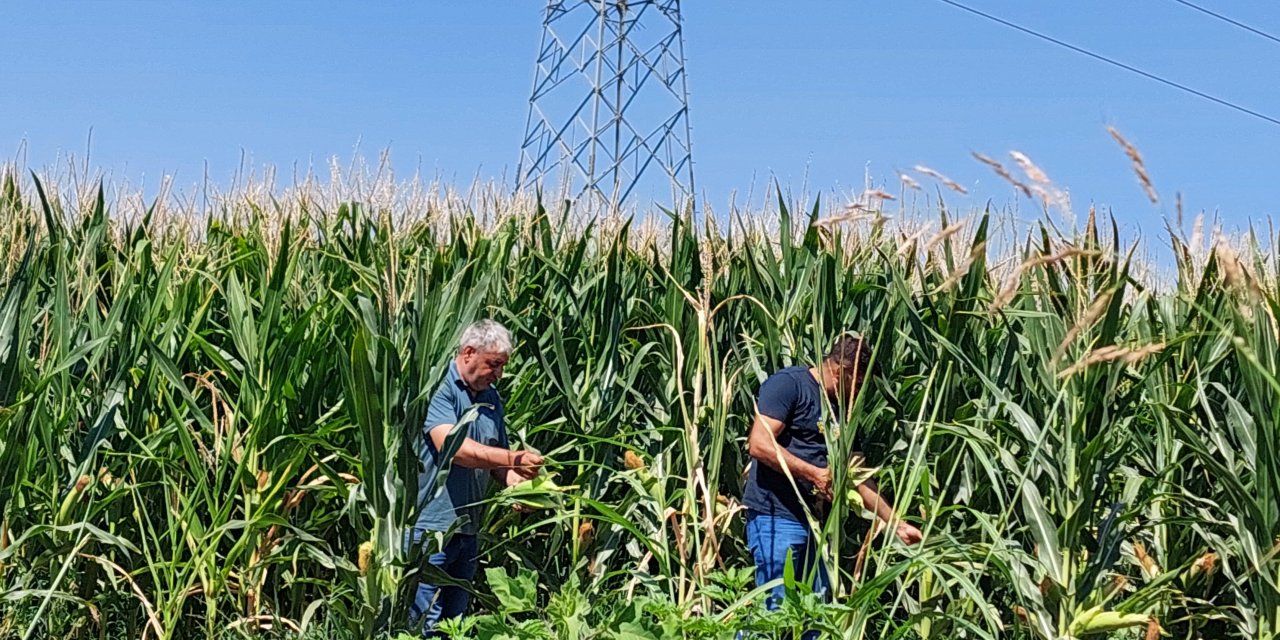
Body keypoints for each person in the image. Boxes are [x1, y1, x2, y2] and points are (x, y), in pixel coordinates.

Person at [742, 333, 922, 633]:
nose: (861, 392)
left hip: (816, 524)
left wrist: (896, 523)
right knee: (774, 611)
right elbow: (759, 444)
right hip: (776, 516)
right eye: (860, 383)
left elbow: (859, 475)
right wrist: (814, 474)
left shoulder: (842, 412)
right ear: (842, 372)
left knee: (817, 614)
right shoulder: (790, 385)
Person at [408, 319, 544, 636]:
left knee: (456, 623)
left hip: (468, 529)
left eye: (502, 367)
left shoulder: (491, 398)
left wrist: (520, 488)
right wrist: (515, 458)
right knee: (427, 624)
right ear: (469, 352)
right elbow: (453, 447)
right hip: (433, 529)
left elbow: (497, 462)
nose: (499, 374)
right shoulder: (440, 388)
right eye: (494, 365)